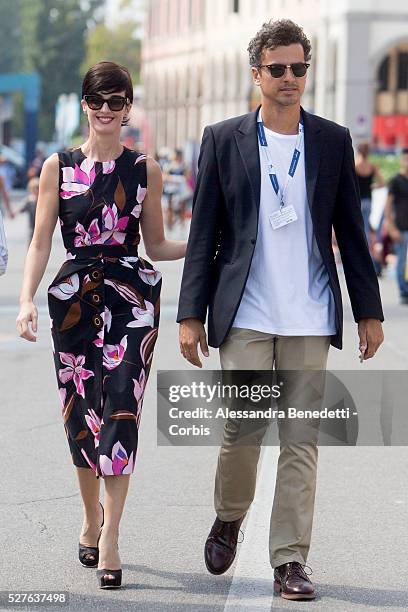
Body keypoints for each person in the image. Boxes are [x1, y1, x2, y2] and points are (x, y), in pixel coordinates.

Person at [177, 19, 384, 601]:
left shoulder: (331, 139)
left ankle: (290, 559)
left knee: (301, 440)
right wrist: (190, 313)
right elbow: (205, 233)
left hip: (310, 315)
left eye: (298, 68)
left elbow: (352, 227)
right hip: (245, 311)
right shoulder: (223, 139)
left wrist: (369, 310)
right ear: (257, 74)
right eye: (278, 69)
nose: (289, 79)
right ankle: (229, 515)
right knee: (242, 431)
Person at [16, 61, 186, 590]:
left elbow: (155, 244)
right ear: (85, 103)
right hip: (73, 298)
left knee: (120, 409)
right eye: (99, 101)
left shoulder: (146, 169)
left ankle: (111, 536)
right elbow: (42, 240)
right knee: (79, 415)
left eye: (118, 102)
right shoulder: (57, 167)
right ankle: (90, 520)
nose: (108, 111)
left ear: (129, 107)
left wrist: (212, 244)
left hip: (133, 298)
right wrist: (25, 301)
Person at [384, 148, 408, 304]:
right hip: (401, 226)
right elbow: (387, 206)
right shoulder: (396, 181)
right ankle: (403, 291)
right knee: (402, 260)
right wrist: (391, 227)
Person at [17, 177, 40, 245]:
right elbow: (22, 208)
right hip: (32, 223)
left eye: (37, 188)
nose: (36, 191)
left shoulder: (42, 200)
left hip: (41, 221)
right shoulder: (29, 200)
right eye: (34, 189)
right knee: (31, 237)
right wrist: (14, 213)